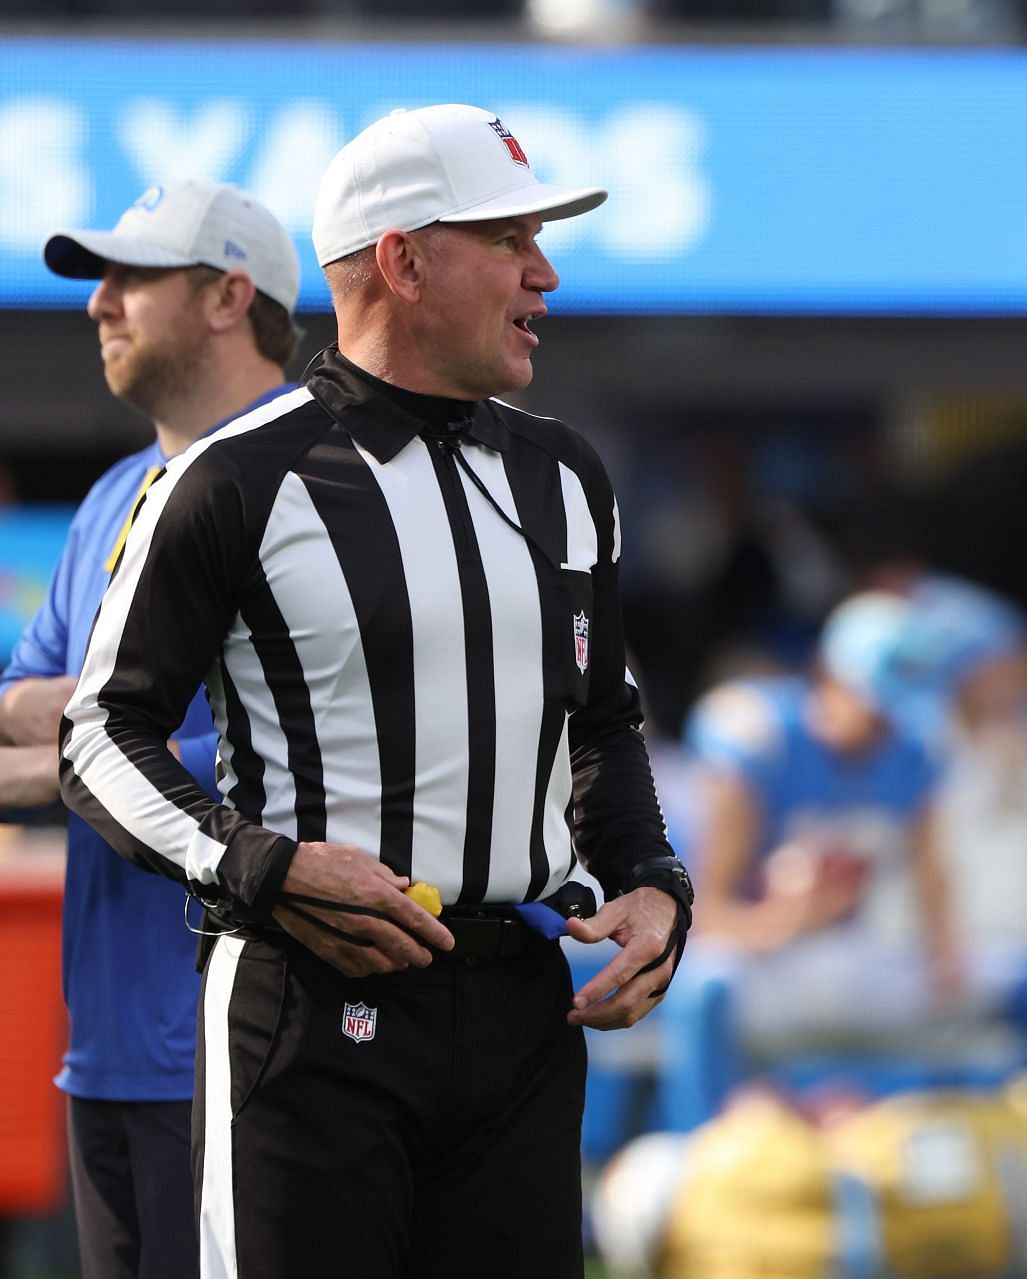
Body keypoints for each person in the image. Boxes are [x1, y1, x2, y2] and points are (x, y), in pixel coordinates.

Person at [58, 105, 694, 1279]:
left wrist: (653, 883)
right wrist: (261, 863)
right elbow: (99, 733)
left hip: (519, 1011)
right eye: (508, 240)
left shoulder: (567, 473)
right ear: (401, 260)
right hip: (309, 1014)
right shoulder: (235, 479)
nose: (544, 274)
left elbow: (600, 712)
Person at [0, 177, 302, 1279]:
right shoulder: (114, 495)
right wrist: (105, 730)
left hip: (248, 1047)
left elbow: (270, 770)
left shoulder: (305, 488)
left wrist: (78, 736)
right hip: (111, 1051)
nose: (99, 303)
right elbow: (23, 718)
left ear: (229, 296)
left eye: (133, 276)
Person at [682, 590, 961, 1047]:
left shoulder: (912, 753)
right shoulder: (762, 740)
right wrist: (785, 921)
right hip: (750, 956)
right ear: (830, 677)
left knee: (1022, 991)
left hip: (841, 954)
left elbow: (935, 887)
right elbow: (703, 915)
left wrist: (947, 960)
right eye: (877, 711)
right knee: (711, 989)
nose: (887, 728)